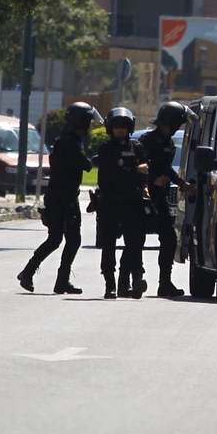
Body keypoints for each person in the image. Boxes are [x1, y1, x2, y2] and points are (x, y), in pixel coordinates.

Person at [18, 101, 99, 294]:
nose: (90, 126)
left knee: (72, 240)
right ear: (81, 121)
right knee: (56, 239)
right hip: (60, 197)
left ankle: (61, 280)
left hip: (67, 196)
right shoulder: (69, 143)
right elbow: (87, 165)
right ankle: (28, 272)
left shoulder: (70, 140)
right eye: (88, 121)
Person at [93, 107, 149, 300]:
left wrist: (144, 185)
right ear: (110, 128)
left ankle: (131, 280)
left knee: (134, 243)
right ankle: (110, 284)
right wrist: (135, 170)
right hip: (110, 202)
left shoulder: (137, 147)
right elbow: (112, 175)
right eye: (116, 126)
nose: (120, 129)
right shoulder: (106, 149)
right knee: (108, 245)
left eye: (124, 126)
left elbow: (145, 172)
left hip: (132, 203)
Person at [139, 101, 191, 297]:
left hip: (160, 197)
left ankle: (165, 283)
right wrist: (152, 180)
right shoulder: (147, 141)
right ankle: (128, 280)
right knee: (136, 238)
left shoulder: (169, 143)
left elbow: (167, 169)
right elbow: (138, 167)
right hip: (143, 197)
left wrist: (181, 184)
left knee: (169, 239)